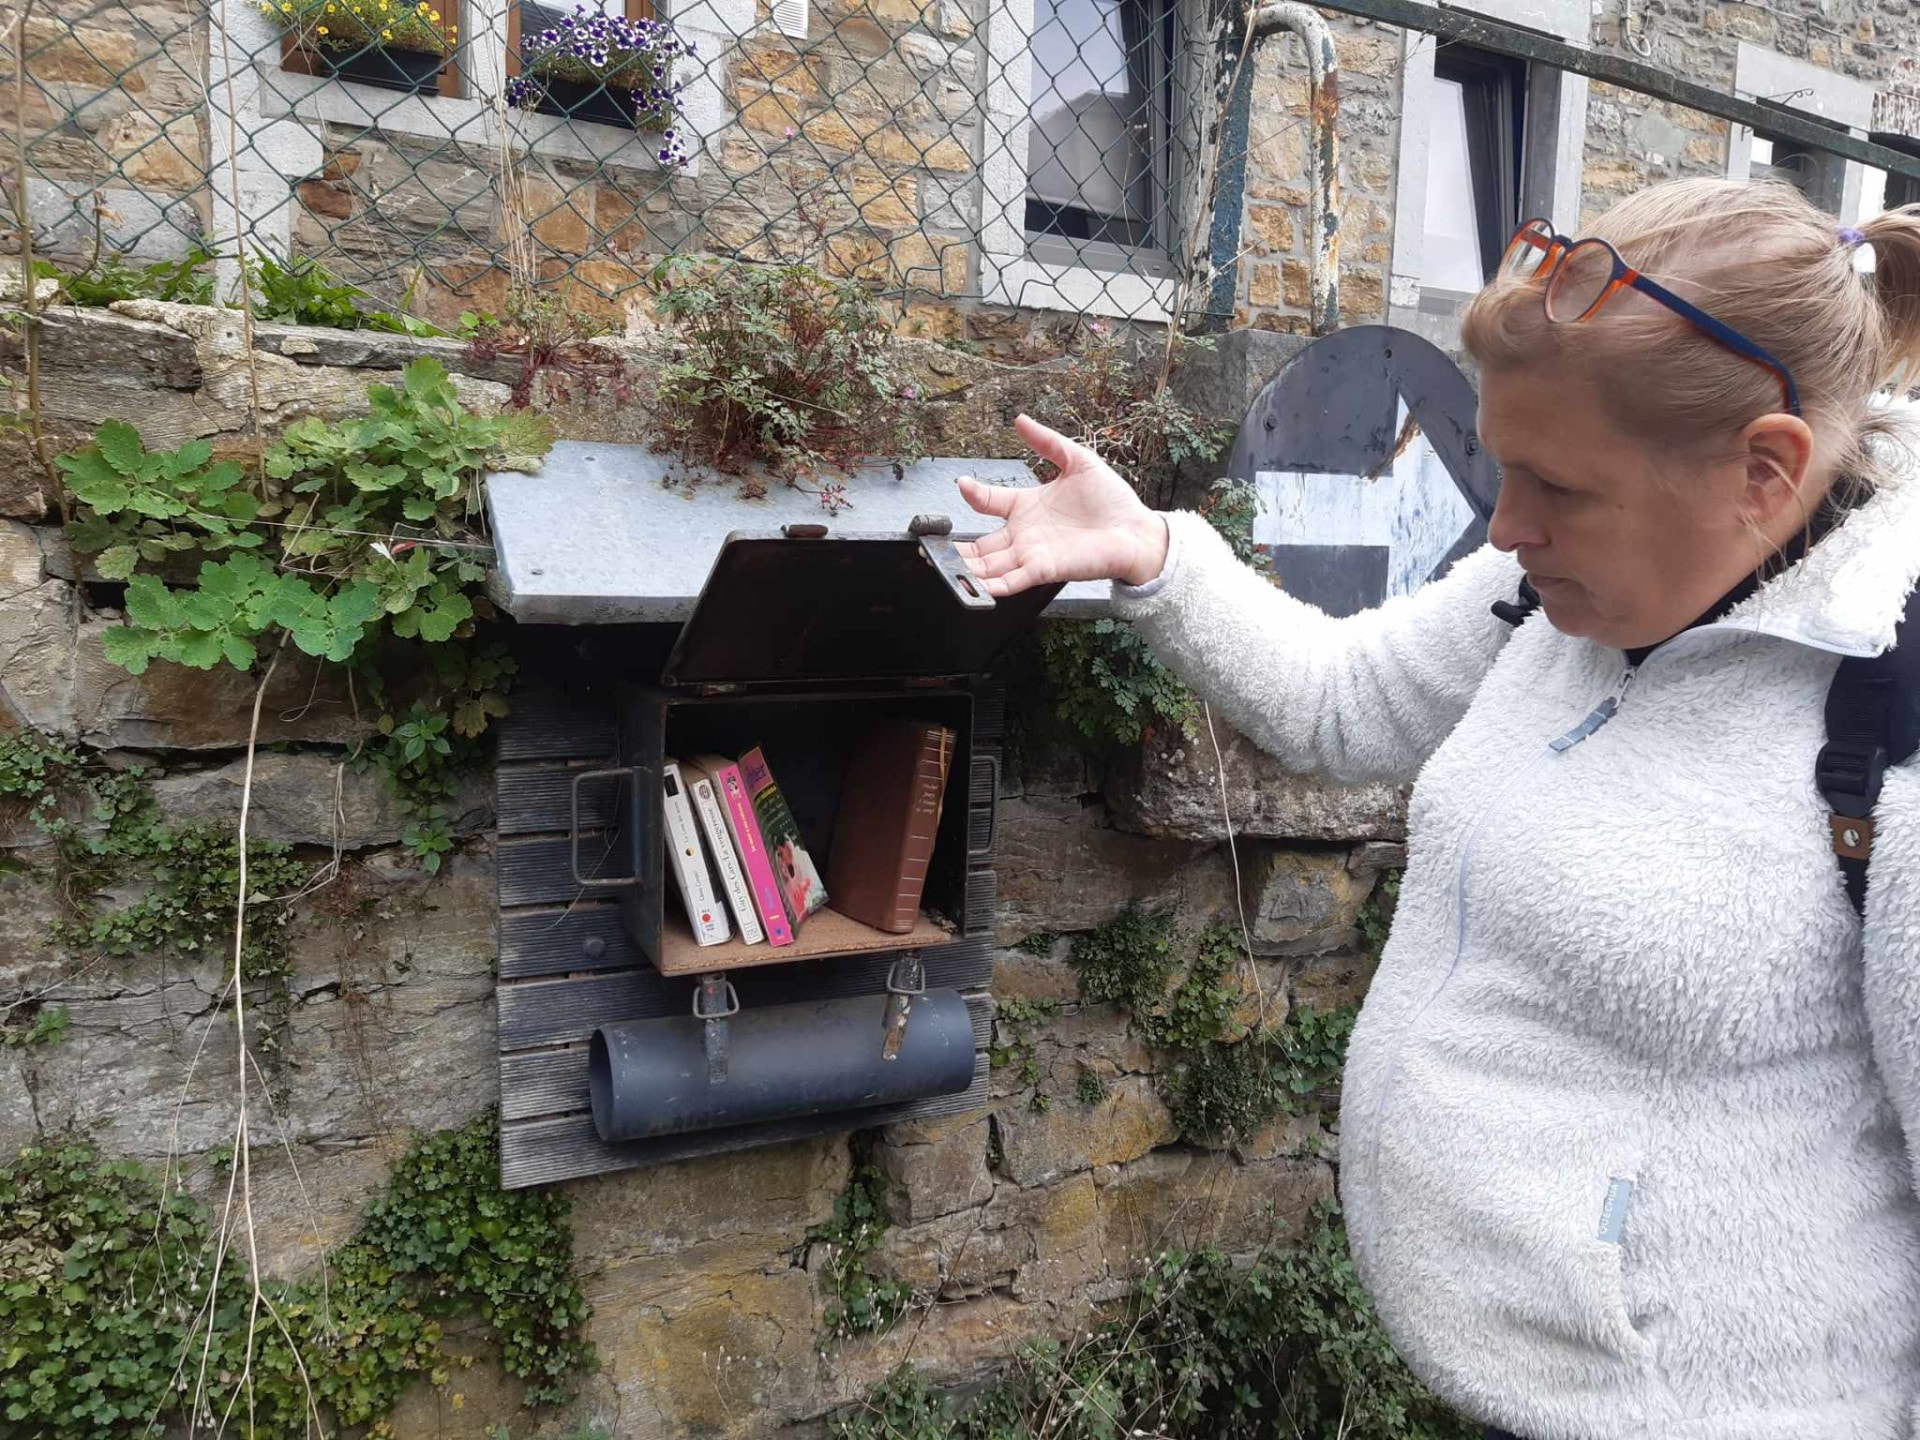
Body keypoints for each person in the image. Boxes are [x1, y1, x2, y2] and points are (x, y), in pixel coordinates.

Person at [954, 178, 1920, 1439]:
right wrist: (1156, 551)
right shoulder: (1553, 595)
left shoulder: (1889, 721)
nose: (1504, 526)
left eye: (1556, 487)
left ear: (1765, 470)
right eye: (1503, 467)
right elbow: (1342, 703)